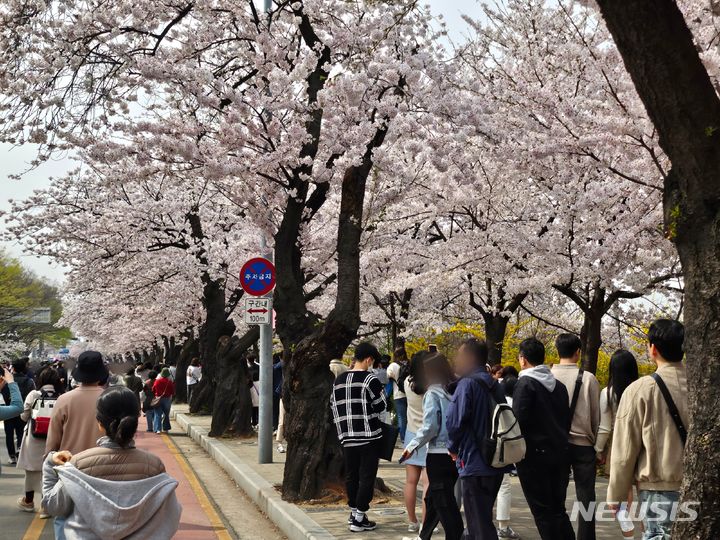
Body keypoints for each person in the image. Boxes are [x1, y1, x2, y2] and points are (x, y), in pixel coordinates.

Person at [42, 386, 181, 539]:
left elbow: (52, 506)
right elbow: (170, 515)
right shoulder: (154, 466)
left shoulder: (78, 464)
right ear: (135, 422)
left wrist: (50, 463)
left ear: (100, 423)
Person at [608, 319, 688, 540]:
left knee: (658, 534)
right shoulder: (703, 385)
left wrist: (616, 494)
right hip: (702, 483)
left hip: (658, 486)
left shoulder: (639, 390)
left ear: (653, 348)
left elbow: (625, 449)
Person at [446, 338, 510, 539]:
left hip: (474, 460)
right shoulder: (494, 384)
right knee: (480, 518)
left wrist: (452, 447)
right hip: (495, 459)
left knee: (479, 523)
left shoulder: (467, 384)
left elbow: (455, 421)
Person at [513, 337, 574, 540]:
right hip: (560, 456)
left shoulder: (525, 384)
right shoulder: (560, 387)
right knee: (558, 510)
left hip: (534, 458)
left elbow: (517, 422)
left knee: (542, 512)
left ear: (523, 360)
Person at [402, 353, 464, 540]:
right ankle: (424, 535)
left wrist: (412, 446)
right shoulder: (455, 389)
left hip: (437, 453)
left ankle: (456, 536)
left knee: (444, 502)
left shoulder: (433, 393)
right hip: (455, 452)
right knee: (433, 498)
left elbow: (430, 427)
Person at [330, 342, 387, 533]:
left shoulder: (338, 381)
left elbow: (332, 406)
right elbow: (380, 406)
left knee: (351, 475)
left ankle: (354, 512)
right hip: (369, 436)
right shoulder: (370, 380)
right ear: (369, 359)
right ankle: (359, 517)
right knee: (367, 477)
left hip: (346, 435)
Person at [551, 333, 601, 540]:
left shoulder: (548, 376)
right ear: (578, 352)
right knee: (586, 497)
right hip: (583, 445)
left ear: (557, 351)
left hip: (556, 445)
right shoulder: (588, 378)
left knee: (556, 496)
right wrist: (597, 444)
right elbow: (596, 416)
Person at [595, 349, 638, 538]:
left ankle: (628, 533)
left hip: (619, 443)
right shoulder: (641, 388)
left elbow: (604, 427)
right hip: (642, 442)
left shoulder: (608, 392)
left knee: (621, 491)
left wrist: (598, 450)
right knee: (644, 490)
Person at [17, 366, 64, 515]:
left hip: (34, 437)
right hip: (54, 438)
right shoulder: (61, 396)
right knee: (50, 472)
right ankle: (46, 507)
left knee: (31, 471)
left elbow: (24, 416)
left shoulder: (34, 394)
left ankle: (29, 502)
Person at [403, 351, 431, 533]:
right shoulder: (433, 385)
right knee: (427, 483)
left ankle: (412, 521)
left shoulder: (406, 382)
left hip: (411, 434)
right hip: (429, 437)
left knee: (410, 481)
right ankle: (425, 523)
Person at [496, 374, 521, 539]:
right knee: (504, 487)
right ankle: (503, 527)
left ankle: (480, 522)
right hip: (507, 450)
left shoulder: (494, 401)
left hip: (490, 448)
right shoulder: (514, 404)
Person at [3, 358, 35, 465]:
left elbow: (3, 394)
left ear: (13, 368)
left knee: (9, 433)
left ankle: (12, 456)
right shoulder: (29, 381)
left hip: (7, 409)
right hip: (23, 410)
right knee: (21, 432)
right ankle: (19, 451)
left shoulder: (6, 381)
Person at [387, 345, 409, 443]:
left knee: (401, 417)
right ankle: (411, 437)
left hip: (398, 394)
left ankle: (403, 438)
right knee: (410, 417)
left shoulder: (393, 365)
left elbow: (388, 376)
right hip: (409, 394)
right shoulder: (409, 363)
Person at [152, 367, 175, 434]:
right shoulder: (169, 382)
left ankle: (158, 429)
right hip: (167, 399)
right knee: (166, 414)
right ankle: (166, 428)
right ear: (168, 374)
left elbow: (153, 389)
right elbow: (173, 392)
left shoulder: (157, 381)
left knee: (158, 414)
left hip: (158, 398)